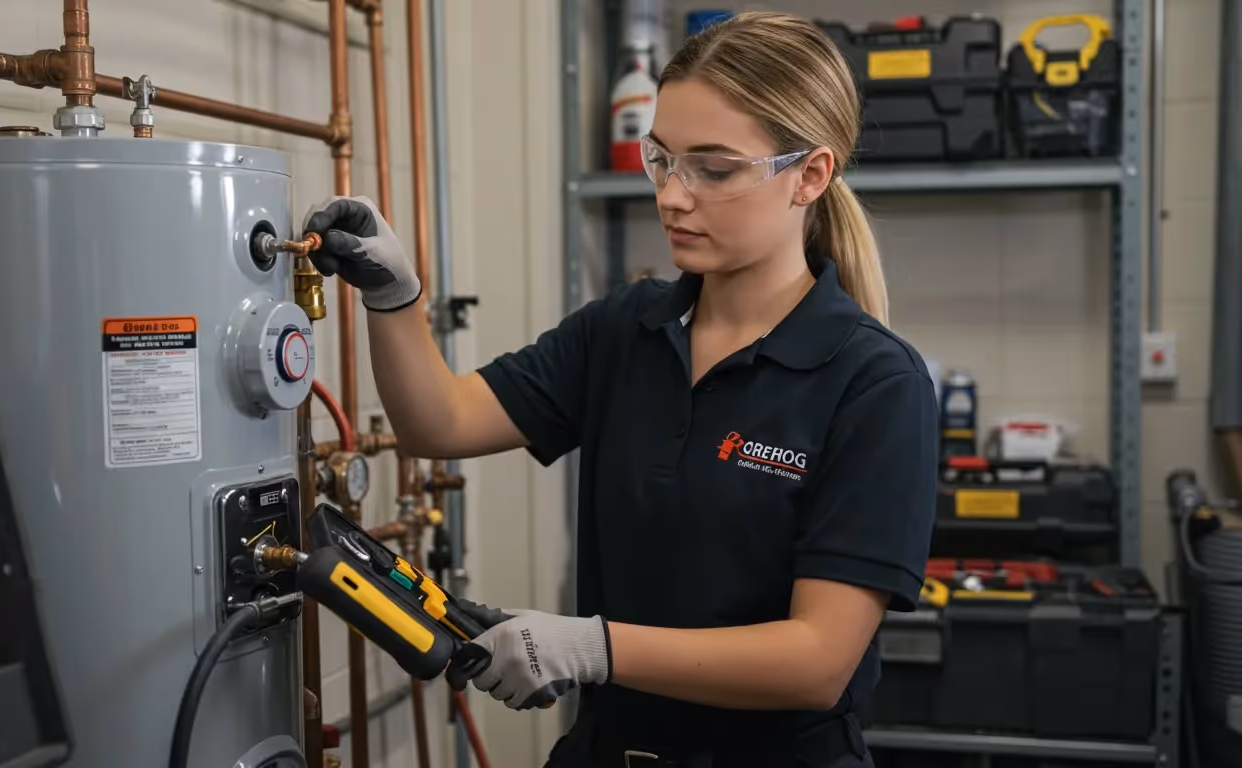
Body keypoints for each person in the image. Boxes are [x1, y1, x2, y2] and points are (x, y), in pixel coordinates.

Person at [302, 11, 937, 767]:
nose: (673, 195)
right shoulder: (625, 331)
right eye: (663, 159)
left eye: (715, 168)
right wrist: (395, 297)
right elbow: (438, 423)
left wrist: (589, 646)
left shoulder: (873, 384)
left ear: (810, 175)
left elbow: (816, 661)